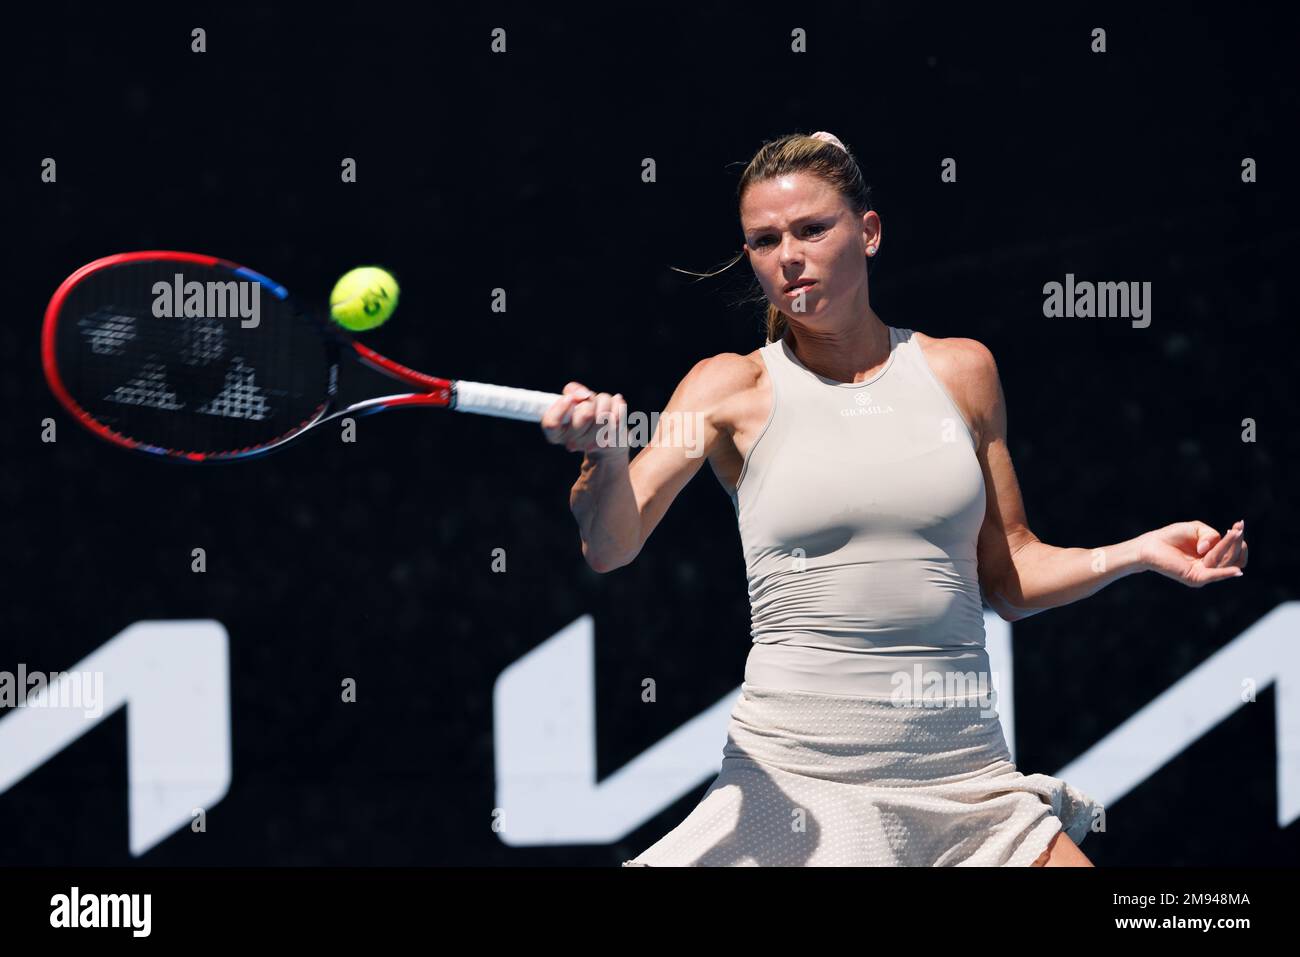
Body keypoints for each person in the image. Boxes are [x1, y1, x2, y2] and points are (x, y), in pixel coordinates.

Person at [540, 131, 1248, 867]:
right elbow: (610, 543)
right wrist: (603, 457)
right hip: (800, 781)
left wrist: (1134, 553)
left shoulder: (963, 371)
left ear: (868, 232)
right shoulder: (728, 387)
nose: (789, 255)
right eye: (764, 239)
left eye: (813, 228)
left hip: (969, 783)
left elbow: (1011, 575)